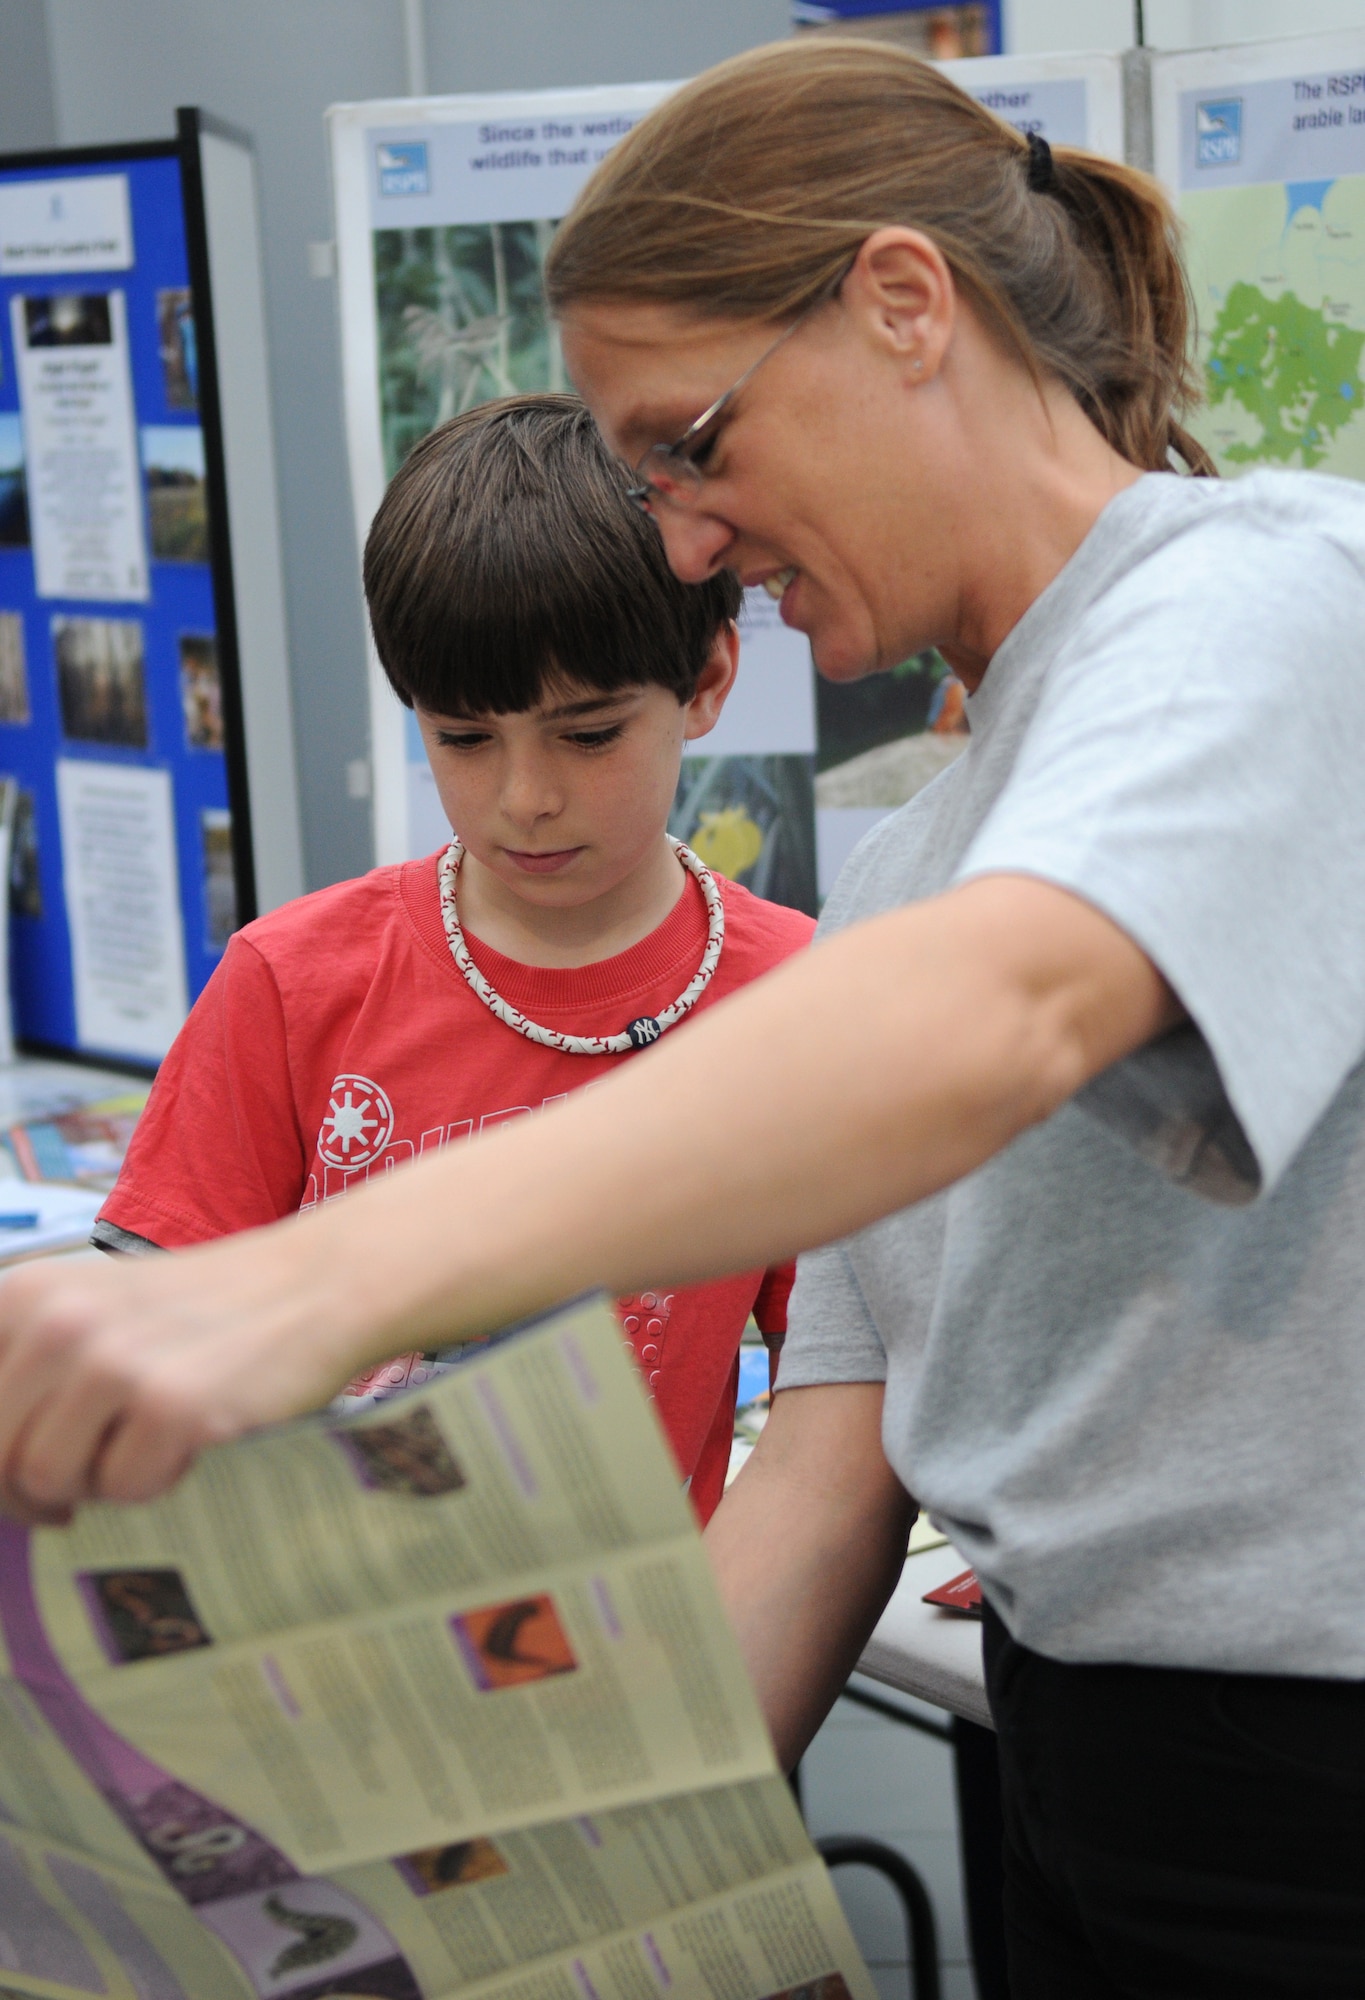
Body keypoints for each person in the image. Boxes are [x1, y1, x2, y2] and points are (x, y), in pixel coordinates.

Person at [1, 37, 1363, 1996]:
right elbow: (827, 1464)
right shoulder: (903, 866)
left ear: (904, 304)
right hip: (1087, 1787)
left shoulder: (1264, 602)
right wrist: (550, 1881)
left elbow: (999, 1014)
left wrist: (299, 1288)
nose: (678, 538)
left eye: (689, 445)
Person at [91, 392, 815, 1525]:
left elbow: (837, 1410)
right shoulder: (293, 979)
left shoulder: (802, 1003)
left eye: (588, 733)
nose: (525, 798)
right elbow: (160, 1344)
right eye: (464, 739)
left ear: (709, 679)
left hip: (635, 1656)